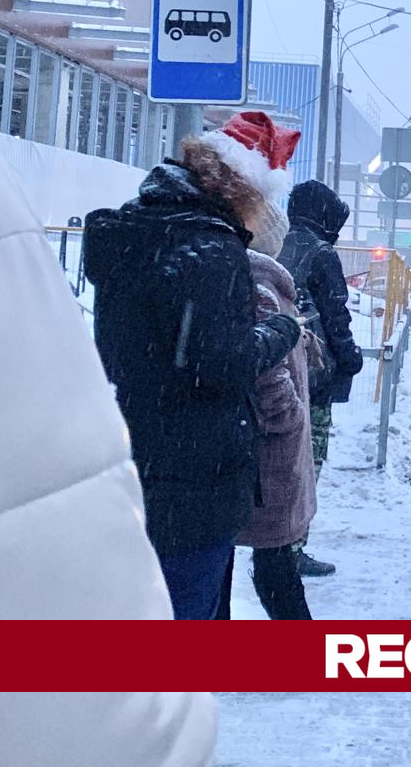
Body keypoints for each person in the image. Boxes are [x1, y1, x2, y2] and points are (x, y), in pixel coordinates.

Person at [0, 111, 218, 765]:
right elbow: (31, 489)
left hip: (149, 437)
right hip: (191, 461)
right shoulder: (208, 253)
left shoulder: (122, 242)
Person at [83, 111, 302, 620]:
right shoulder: (212, 248)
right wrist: (281, 331)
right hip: (195, 474)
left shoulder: (141, 227)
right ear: (244, 191)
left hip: (136, 451)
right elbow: (217, 363)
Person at [222, 200, 317, 620]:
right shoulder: (261, 279)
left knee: (256, 552)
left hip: (258, 445)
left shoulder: (256, 278)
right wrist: (287, 415)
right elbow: (265, 370)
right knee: (273, 551)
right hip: (268, 449)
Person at [277, 180, 364, 577]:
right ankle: (289, 551)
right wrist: (350, 359)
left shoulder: (279, 244)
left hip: (279, 369)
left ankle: (275, 547)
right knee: (307, 465)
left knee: (281, 462)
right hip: (314, 377)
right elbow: (336, 317)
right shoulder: (322, 253)